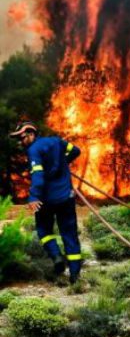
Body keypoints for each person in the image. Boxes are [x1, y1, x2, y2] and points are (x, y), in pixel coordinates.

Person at [9, 121, 83, 283]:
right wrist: (64, 163)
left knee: (43, 230)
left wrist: (34, 197)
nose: (20, 142)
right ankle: (75, 275)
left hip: (47, 200)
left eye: (22, 138)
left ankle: (56, 256)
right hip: (66, 197)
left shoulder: (33, 150)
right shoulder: (57, 141)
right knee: (69, 234)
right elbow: (76, 151)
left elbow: (38, 176)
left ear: (31, 134)